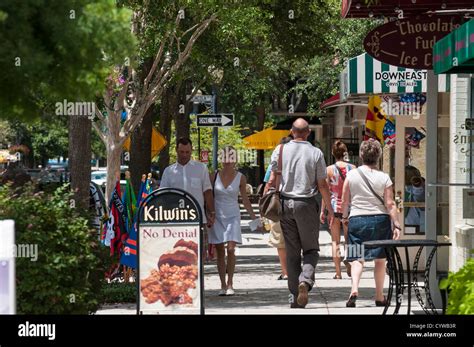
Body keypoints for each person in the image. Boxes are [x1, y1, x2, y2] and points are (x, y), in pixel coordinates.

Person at [266, 118, 334, 308]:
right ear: (308, 133)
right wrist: (329, 209)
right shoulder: (316, 153)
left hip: (286, 204)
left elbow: (272, 180)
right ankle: (305, 280)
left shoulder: (280, 150)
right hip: (306, 205)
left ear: (291, 132)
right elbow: (322, 185)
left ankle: (295, 295)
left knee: (292, 252)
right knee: (311, 249)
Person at [340, 138, 401, 308]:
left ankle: (354, 289)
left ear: (361, 155)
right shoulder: (384, 177)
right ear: (379, 156)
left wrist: (345, 218)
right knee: (380, 260)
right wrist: (396, 224)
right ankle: (379, 296)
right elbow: (390, 204)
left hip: (356, 220)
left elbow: (345, 201)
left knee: (356, 258)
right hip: (380, 220)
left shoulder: (351, 175)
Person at [208, 146, 259, 296]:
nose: (227, 161)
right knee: (219, 250)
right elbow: (208, 196)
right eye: (224, 158)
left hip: (233, 216)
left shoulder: (240, 177)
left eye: (230, 158)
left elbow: (245, 200)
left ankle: (230, 283)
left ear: (235, 159)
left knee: (230, 249)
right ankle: (222, 284)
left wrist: (254, 218)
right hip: (217, 216)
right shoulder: (213, 176)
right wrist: (208, 213)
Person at [160, 137, 215, 227]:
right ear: (176, 150)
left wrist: (212, 212)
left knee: (200, 242)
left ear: (191, 151)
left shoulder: (201, 168)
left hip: (198, 218)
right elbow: (163, 195)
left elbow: (207, 191)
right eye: (181, 152)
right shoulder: (168, 171)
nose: (184, 155)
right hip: (175, 219)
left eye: (187, 152)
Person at [320, 140, 355, 279]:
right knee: (349, 240)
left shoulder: (328, 170)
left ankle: (338, 272)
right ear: (345, 152)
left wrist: (323, 211)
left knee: (335, 241)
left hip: (334, 208)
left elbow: (325, 192)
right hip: (349, 207)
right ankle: (350, 264)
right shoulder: (353, 168)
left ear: (333, 153)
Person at [264, 136, 293, 281]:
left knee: (280, 240)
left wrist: (263, 206)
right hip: (296, 201)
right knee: (294, 238)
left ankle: (285, 271)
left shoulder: (275, 163)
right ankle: (295, 269)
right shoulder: (296, 162)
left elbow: (269, 181)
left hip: (278, 202)